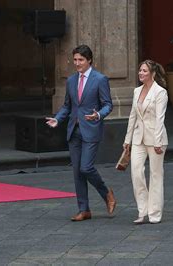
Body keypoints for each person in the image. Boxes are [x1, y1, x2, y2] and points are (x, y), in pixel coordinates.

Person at [46, 44, 116, 222]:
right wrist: (58, 119)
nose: (77, 63)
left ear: (89, 60)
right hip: (73, 130)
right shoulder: (71, 80)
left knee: (86, 167)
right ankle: (84, 209)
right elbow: (68, 106)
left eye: (81, 60)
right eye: (75, 60)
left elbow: (108, 104)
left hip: (91, 129)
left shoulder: (100, 79)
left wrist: (99, 114)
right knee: (77, 171)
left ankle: (106, 193)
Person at [123, 60, 168, 225]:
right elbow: (132, 117)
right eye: (140, 70)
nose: (140, 73)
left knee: (156, 175)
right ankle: (142, 211)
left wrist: (157, 142)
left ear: (152, 74)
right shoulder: (137, 91)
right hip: (138, 138)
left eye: (144, 71)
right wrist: (127, 140)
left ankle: (154, 213)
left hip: (156, 139)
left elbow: (160, 119)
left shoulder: (160, 92)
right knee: (136, 172)